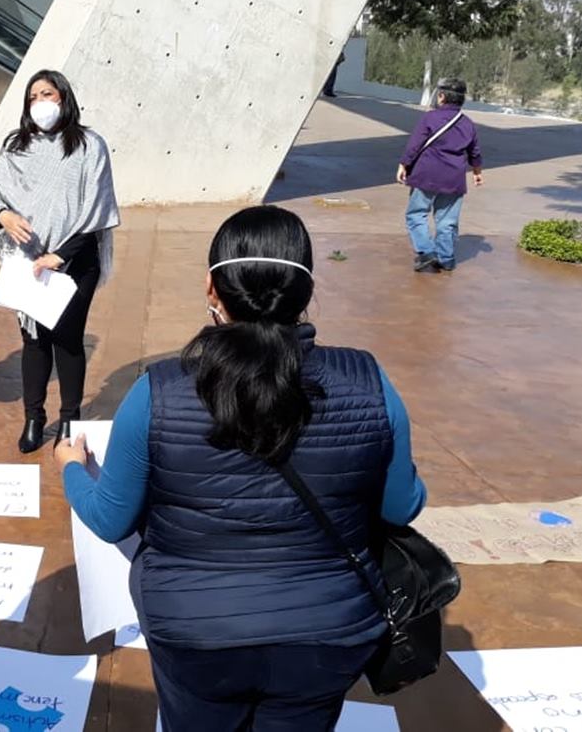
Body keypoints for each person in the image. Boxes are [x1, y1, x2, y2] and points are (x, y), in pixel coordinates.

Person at [54, 206, 427, 732]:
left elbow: (111, 519)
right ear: (305, 288)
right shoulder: (368, 379)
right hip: (329, 631)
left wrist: (72, 467)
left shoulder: (157, 391)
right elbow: (401, 505)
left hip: (192, 630)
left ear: (212, 288)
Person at [0, 69, 120, 454]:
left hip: (75, 260)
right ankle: (34, 417)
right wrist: (3, 216)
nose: (41, 102)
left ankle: (70, 417)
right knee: (33, 339)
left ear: (64, 97)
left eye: (48, 94)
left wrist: (61, 254)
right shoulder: (15, 145)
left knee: (68, 339)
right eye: (33, 96)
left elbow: (98, 207)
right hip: (26, 260)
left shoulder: (90, 145)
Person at [397, 77, 483, 273]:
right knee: (447, 220)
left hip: (426, 174)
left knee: (416, 214)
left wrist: (404, 164)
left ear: (442, 96)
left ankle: (427, 252)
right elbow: (475, 151)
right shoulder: (467, 123)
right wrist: (477, 171)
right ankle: (446, 258)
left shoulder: (430, 118)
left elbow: (414, 144)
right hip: (454, 178)